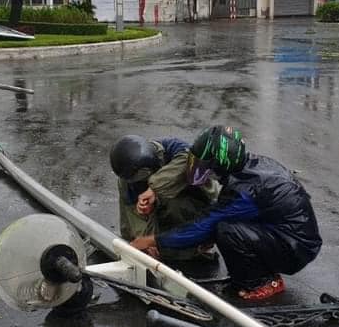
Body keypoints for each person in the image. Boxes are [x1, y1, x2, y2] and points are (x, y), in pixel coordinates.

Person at [129, 126, 322, 303]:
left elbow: (203, 227)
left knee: (226, 230)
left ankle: (263, 283)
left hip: (296, 249)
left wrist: (150, 240)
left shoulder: (245, 191)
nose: (200, 169)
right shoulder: (250, 169)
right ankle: (251, 275)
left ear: (220, 164)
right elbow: (222, 211)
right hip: (290, 238)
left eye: (204, 164)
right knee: (224, 225)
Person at [109, 135, 218, 262]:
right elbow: (131, 217)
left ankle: (196, 245)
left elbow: (188, 159)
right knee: (138, 240)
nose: (139, 181)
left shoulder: (174, 148)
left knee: (177, 206)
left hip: (195, 205)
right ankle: (169, 245)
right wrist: (145, 238)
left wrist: (155, 189)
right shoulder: (127, 178)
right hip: (162, 213)